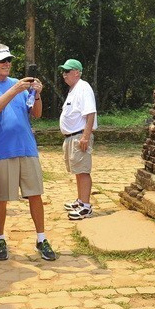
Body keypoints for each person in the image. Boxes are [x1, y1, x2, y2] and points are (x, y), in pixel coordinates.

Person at [0, 44, 56, 261]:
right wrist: (15, 90)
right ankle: (0, 238)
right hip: (1, 150)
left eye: (9, 60)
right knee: (1, 198)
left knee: (35, 195)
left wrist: (37, 94)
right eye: (2, 61)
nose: (7, 64)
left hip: (27, 148)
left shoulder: (19, 85)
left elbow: (37, 114)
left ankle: (41, 238)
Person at [59, 59, 98, 220]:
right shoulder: (73, 89)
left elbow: (90, 113)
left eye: (67, 71)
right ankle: (80, 200)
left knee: (82, 171)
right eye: (63, 71)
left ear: (77, 72)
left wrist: (85, 137)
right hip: (72, 136)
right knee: (77, 169)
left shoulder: (83, 87)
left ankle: (86, 206)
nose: (64, 75)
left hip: (79, 135)